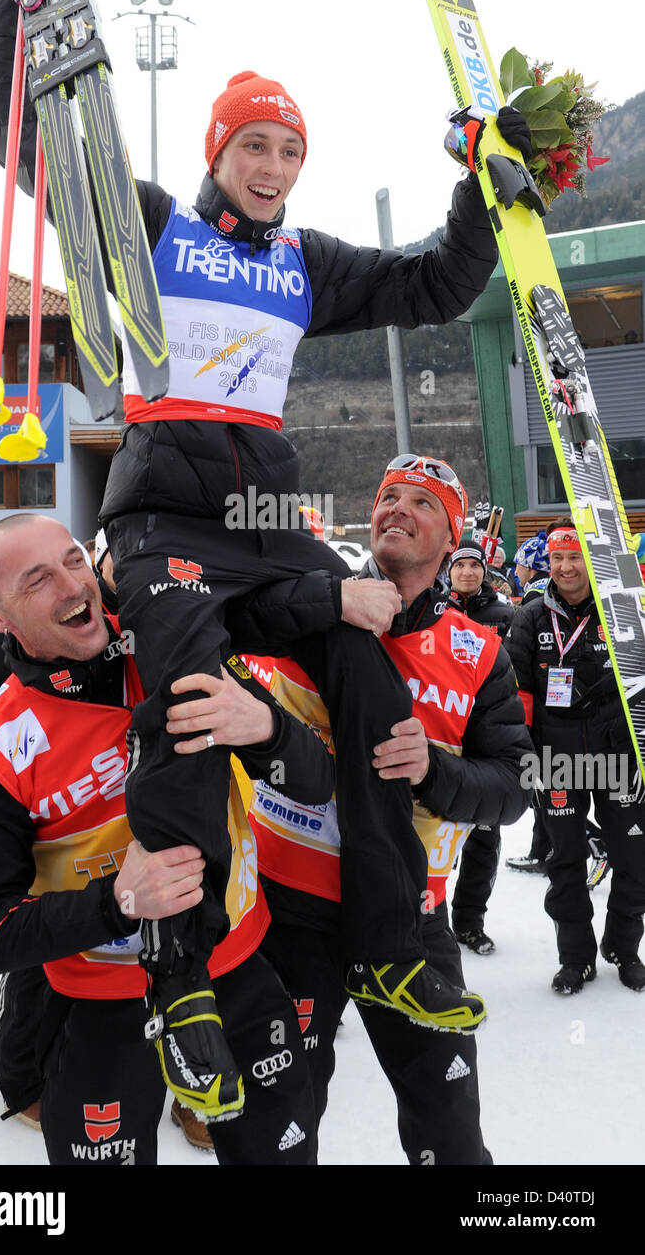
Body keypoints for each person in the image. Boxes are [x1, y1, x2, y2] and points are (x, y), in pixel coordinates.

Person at [0, 0, 532, 1118]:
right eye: (254, 145)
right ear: (216, 149)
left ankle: (392, 931)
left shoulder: (303, 261)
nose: (273, 166)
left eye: (289, 149)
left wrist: (484, 190)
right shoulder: (161, 226)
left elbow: (434, 288)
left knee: (369, 642)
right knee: (183, 691)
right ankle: (181, 980)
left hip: (269, 519)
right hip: (165, 512)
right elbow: (29, 139)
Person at [0, 512, 341, 1165]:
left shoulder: (171, 653)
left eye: (74, 561)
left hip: (236, 974)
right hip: (102, 1008)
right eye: (37, 579)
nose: (73, 587)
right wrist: (115, 902)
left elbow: (315, 782)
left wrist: (266, 727)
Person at [231, 453, 532, 1162]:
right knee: (277, 1125)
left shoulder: (478, 650)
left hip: (408, 913)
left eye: (421, 503)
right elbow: (226, 613)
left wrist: (434, 769)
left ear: (452, 534)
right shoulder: (309, 603)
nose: (397, 508)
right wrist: (329, 602)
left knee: (448, 1127)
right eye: (387, 496)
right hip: (290, 907)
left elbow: (514, 788)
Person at [505, 524, 645, 994]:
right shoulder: (529, 618)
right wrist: (525, 760)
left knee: (636, 860)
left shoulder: (622, 612)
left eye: (576, 558)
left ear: (591, 561)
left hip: (617, 758)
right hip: (556, 759)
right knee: (565, 864)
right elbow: (516, 694)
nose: (566, 568)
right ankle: (577, 958)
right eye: (559, 559)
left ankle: (623, 948)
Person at [446, 539, 514, 953]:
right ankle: (421, 921)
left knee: (483, 839)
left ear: (484, 570)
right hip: (441, 737)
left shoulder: (506, 615)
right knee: (424, 836)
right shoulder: (432, 609)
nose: (467, 572)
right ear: (449, 571)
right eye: (460, 566)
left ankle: (469, 922)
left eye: (474, 565)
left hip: (485, 742)